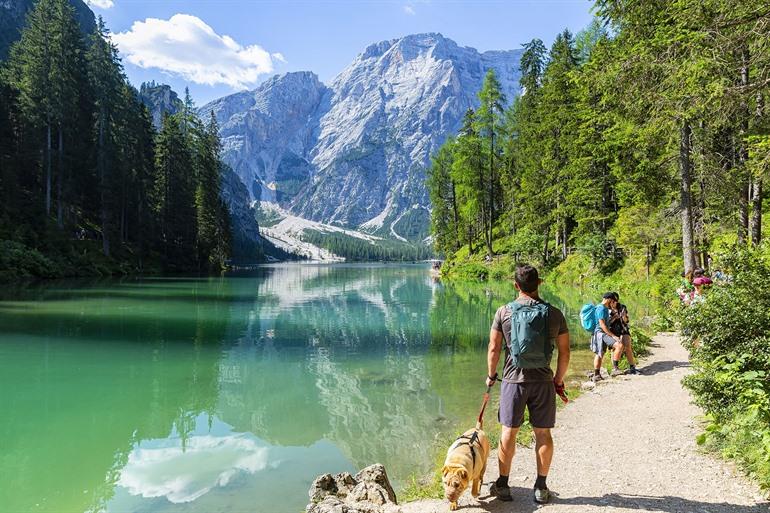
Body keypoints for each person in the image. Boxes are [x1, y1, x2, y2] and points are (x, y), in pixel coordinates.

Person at [486, 264, 570, 505]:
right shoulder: (554, 313)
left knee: (508, 433)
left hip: (513, 381)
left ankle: (502, 484)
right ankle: (541, 488)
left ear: (516, 285)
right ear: (539, 283)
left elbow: (493, 348)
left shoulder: (504, 312)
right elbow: (565, 353)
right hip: (543, 381)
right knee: (543, 433)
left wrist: (491, 375)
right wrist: (558, 380)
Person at [590, 292, 625, 381]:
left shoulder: (605, 308)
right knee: (617, 346)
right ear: (609, 299)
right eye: (613, 301)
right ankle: (613, 370)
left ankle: (598, 374)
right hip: (600, 334)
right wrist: (613, 336)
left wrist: (613, 318)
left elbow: (606, 323)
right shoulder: (601, 308)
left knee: (601, 353)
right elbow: (602, 325)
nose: (613, 303)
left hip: (603, 333)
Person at [608, 292, 639, 375]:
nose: (614, 303)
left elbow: (626, 321)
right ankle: (615, 368)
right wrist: (614, 317)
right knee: (615, 348)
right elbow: (606, 324)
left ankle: (632, 367)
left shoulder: (622, 307)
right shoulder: (606, 309)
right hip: (612, 331)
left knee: (628, 346)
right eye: (612, 301)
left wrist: (624, 317)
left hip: (623, 329)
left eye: (616, 301)